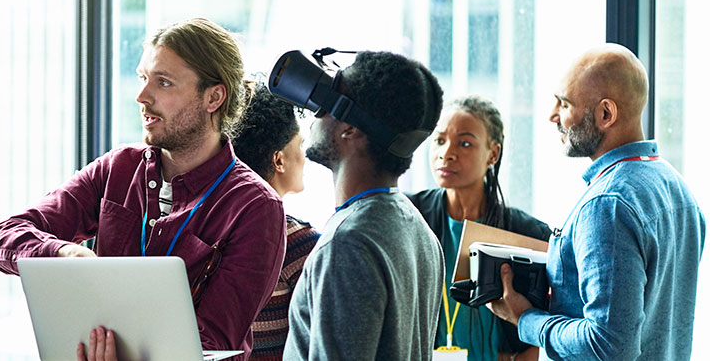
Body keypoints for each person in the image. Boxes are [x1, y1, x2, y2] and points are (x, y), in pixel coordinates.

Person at [0, 18, 286, 361]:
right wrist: (63, 255)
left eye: (163, 82)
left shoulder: (255, 207)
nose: (142, 96)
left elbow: (214, 342)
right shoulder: (118, 168)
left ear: (214, 97)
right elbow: (4, 237)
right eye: (143, 78)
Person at [488, 43, 706, 360]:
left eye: (564, 104)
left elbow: (609, 346)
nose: (552, 116)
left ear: (606, 114)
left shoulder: (607, 204)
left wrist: (526, 320)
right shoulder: (678, 189)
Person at [282, 51, 445, 360]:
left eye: (327, 103)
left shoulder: (347, 244)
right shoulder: (417, 228)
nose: (315, 114)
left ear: (350, 129)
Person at [407, 95, 551, 361]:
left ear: (492, 154)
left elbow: (543, 319)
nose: (447, 153)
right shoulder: (410, 216)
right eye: (439, 140)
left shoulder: (527, 232)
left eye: (464, 143)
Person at [231, 85, 321, 360]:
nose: (304, 157)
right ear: (279, 160)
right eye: (300, 145)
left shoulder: (209, 227)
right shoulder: (298, 243)